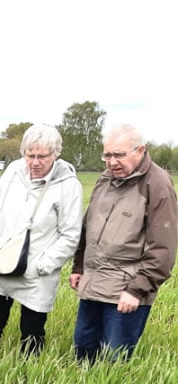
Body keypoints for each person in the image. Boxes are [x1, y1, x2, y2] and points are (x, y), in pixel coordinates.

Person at [69, 123, 178, 363]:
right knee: (83, 349)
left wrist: (136, 290)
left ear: (140, 151)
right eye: (107, 155)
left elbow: (163, 248)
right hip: (94, 282)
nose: (112, 161)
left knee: (113, 358)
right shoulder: (105, 180)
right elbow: (88, 227)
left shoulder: (157, 185)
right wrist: (79, 267)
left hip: (127, 290)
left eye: (119, 154)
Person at [0, 124, 83, 355]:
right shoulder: (13, 170)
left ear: (55, 154)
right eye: (29, 155)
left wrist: (41, 266)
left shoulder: (68, 185)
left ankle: (29, 375)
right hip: (2, 260)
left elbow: (71, 234)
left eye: (42, 156)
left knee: (32, 330)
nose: (35, 162)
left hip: (36, 272)